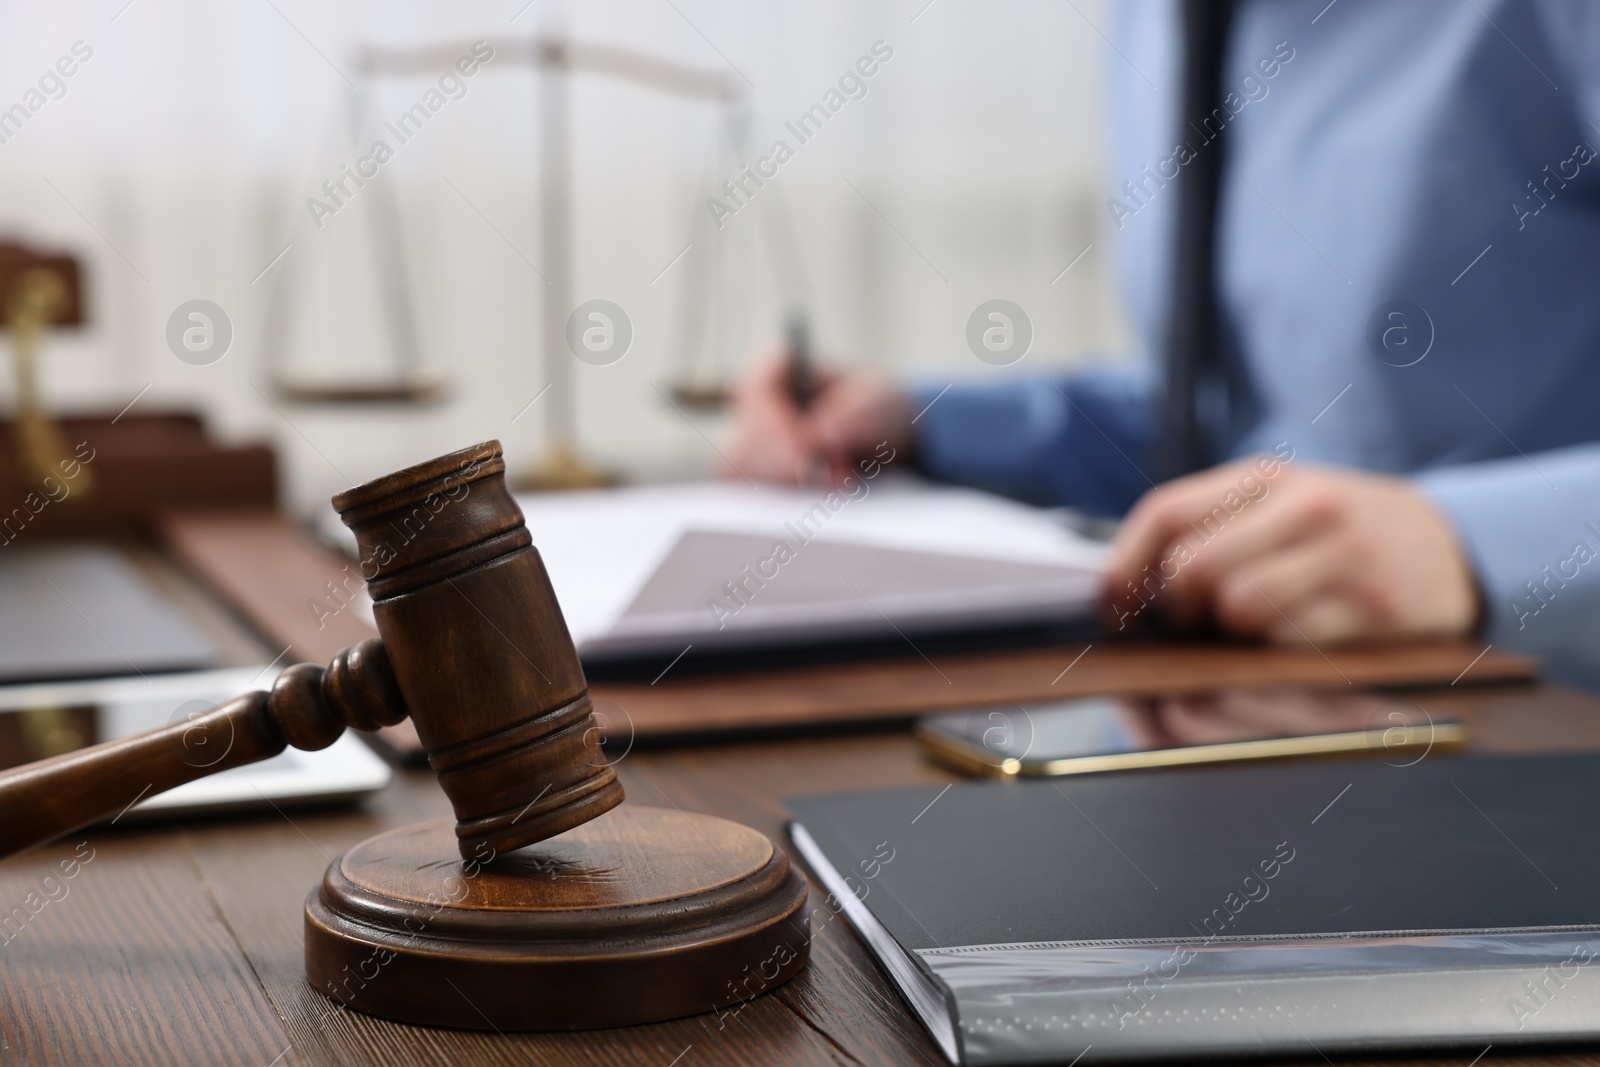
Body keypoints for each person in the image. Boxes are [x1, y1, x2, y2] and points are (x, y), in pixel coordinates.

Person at [722, 1, 1600, 685]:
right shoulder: (1165, 20)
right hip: (1260, 710)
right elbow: (1238, 420)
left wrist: (1474, 548)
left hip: (1539, 745)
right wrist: (922, 419)